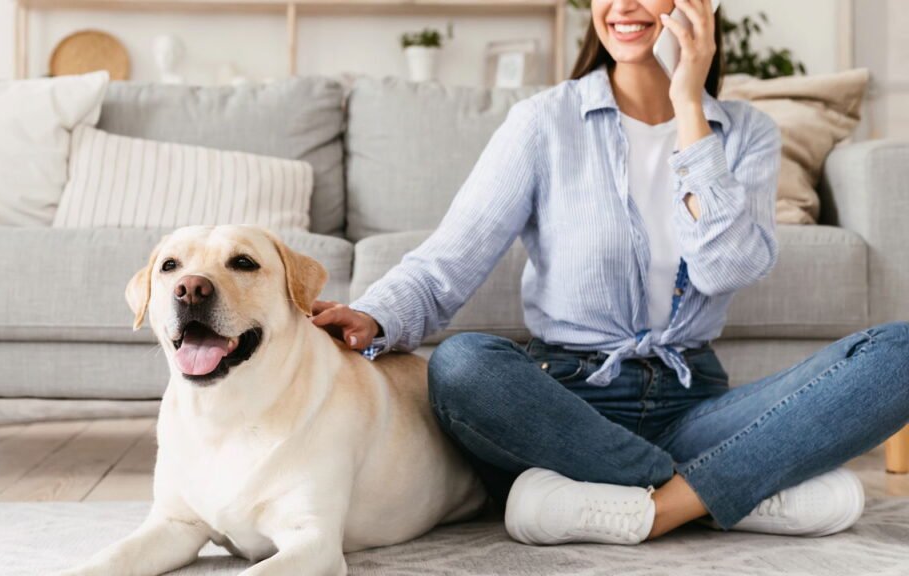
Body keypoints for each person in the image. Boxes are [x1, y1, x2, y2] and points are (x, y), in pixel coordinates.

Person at [311, 0, 909, 545]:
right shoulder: (543, 122)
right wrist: (373, 315)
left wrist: (688, 106)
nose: (623, 5)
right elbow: (451, 258)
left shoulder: (747, 133)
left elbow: (724, 266)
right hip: (566, 403)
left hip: (692, 405)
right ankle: (718, 489)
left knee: (899, 352)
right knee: (463, 365)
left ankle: (645, 503)